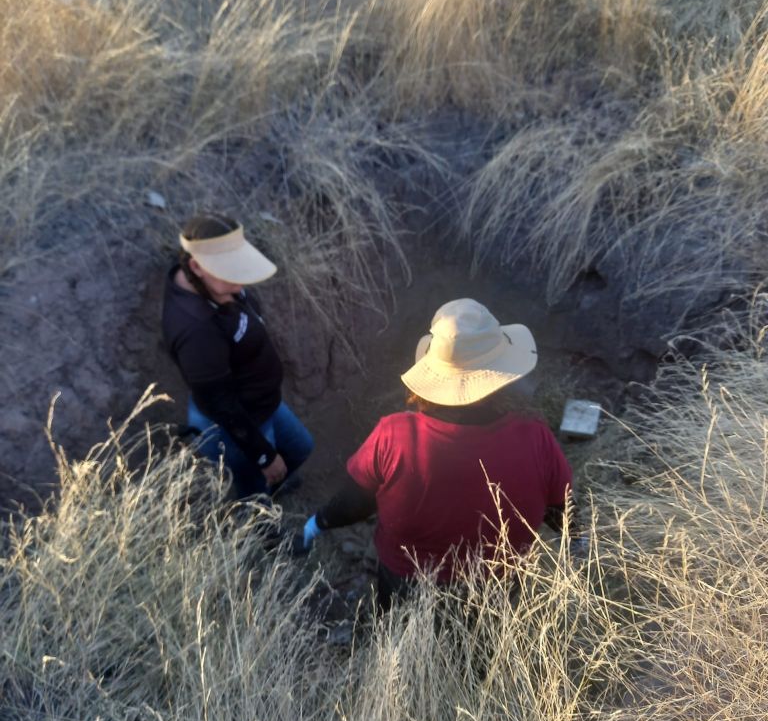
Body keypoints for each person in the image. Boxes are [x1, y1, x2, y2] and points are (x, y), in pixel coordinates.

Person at [301, 299, 572, 609]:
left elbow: (354, 504)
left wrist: (317, 523)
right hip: (499, 589)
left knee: (396, 624)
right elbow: (562, 510)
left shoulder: (394, 435)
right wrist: (581, 547)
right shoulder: (535, 437)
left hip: (408, 586)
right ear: (499, 376)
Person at [162, 213, 313, 498]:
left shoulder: (212, 284)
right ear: (197, 267)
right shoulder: (196, 330)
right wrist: (263, 456)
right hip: (240, 421)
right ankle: (261, 520)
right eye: (231, 274)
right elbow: (220, 403)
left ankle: (276, 485)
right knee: (255, 492)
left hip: (262, 403)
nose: (240, 285)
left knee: (301, 447)